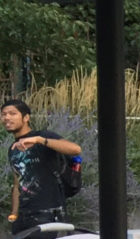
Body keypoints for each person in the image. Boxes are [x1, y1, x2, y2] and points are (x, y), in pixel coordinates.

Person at [2, 97, 81, 231]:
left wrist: (39, 140)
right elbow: (18, 184)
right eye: (3, 114)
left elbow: (75, 149)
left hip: (48, 214)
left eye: (12, 113)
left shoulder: (42, 136)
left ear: (26, 118)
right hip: (24, 217)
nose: (7, 117)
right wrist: (14, 214)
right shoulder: (13, 148)